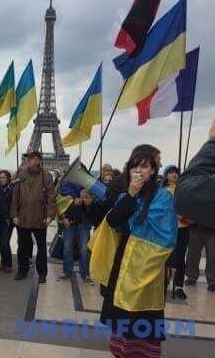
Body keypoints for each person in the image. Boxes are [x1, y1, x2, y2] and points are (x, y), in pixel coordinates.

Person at [95, 148, 177, 358]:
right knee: (122, 324)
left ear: (153, 170)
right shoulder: (126, 195)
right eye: (135, 165)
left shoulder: (163, 197)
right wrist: (131, 195)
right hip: (123, 265)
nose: (139, 170)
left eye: (144, 166)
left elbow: (167, 236)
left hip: (147, 267)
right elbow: (112, 221)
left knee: (142, 320)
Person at [175, 119, 215, 292]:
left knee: (213, 255)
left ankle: (212, 281)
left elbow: (186, 193)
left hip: (210, 226)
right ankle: (191, 277)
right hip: (196, 225)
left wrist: (212, 142)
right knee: (193, 254)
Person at [11, 151, 57, 283]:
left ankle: (42, 273)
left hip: (39, 217)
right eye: (32, 159)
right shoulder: (21, 174)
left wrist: (50, 215)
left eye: (37, 159)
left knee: (42, 248)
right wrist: (14, 214)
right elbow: (15, 195)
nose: (34, 161)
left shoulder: (46, 175)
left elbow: (51, 197)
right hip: (23, 217)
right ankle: (22, 269)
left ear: (40, 160)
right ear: (28, 160)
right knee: (23, 246)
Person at [162, 165, 190, 300]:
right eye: (171, 172)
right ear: (166, 175)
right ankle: (164, 282)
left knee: (180, 257)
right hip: (168, 228)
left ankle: (179, 286)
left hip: (182, 227)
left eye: (176, 172)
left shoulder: (183, 190)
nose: (174, 174)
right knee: (166, 256)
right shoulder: (163, 191)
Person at [58, 182, 93, 285]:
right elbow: (59, 203)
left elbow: (92, 206)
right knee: (68, 248)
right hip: (69, 221)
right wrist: (64, 218)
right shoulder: (65, 187)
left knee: (84, 249)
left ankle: (85, 273)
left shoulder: (87, 186)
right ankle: (67, 272)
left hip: (83, 222)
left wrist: (86, 201)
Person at [0, 170, 14, 273]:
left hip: (7, 220)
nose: (1, 179)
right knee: (1, 242)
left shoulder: (11, 189)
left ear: (8, 178)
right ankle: (3, 263)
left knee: (5, 242)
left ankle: (8, 264)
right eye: (0, 177)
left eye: (4, 177)